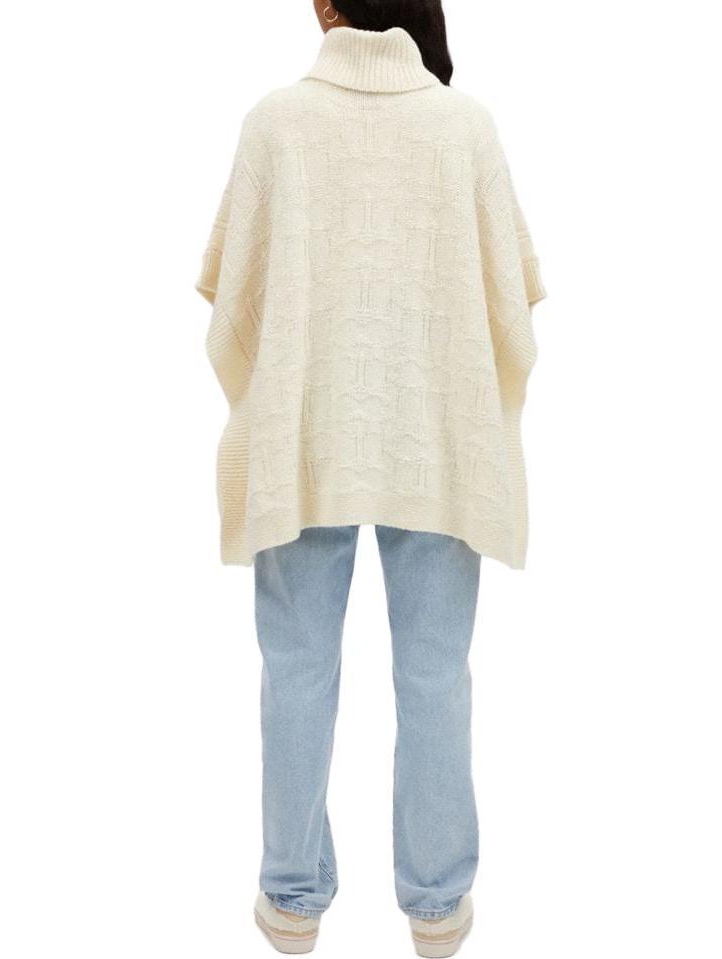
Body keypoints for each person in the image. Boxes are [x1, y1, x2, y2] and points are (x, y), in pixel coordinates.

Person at [195, 2, 546, 954]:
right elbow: (512, 305)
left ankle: (291, 899)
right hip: (439, 439)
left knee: (296, 670)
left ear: (327, 4)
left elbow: (232, 296)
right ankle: (435, 905)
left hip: (303, 438)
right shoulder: (462, 126)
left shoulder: (276, 122)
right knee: (434, 675)